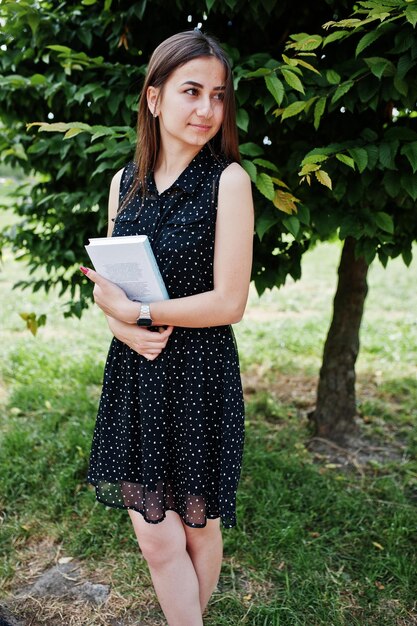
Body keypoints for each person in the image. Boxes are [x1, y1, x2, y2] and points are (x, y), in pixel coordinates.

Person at [81, 29, 254, 626]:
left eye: (218, 95)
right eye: (191, 92)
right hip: (135, 374)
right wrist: (121, 322)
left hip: (198, 376)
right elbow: (116, 289)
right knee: (157, 537)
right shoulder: (121, 183)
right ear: (154, 98)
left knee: (196, 528)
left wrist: (142, 315)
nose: (208, 109)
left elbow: (231, 301)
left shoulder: (228, 182)